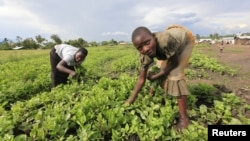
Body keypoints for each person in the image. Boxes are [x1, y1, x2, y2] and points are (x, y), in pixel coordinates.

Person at [125, 24, 195, 132]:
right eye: (140, 48)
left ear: (153, 36)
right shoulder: (145, 54)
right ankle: (151, 94)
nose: (146, 49)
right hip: (170, 42)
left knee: (175, 74)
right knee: (158, 68)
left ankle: (184, 118)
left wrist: (155, 77)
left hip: (184, 40)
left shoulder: (164, 41)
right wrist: (130, 100)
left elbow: (174, 63)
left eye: (147, 43)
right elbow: (141, 79)